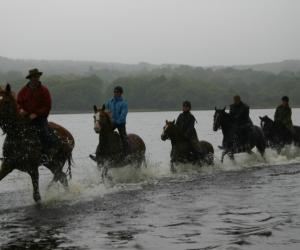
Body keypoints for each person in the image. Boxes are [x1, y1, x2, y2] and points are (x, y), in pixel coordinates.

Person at [17, 68, 57, 159]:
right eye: (34, 77)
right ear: (30, 78)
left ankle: (48, 152)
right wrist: (21, 110)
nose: (36, 78)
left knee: (44, 133)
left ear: (39, 77)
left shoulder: (44, 90)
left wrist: (36, 114)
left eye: (37, 77)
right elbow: (18, 103)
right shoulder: (23, 91)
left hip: (40, 118)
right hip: (25, 117)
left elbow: (47, 106)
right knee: (16, 132)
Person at [105, 86, 129, 155]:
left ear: (121, 93)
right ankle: (100, 153)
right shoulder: (109, 102)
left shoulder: (124, 103)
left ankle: (127, 153)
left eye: (117, 92)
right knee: (103, 135)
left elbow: (123, 114)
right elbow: (105, 110)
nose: (115, 93)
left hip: (120, 123)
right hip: (111, 123)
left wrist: (117, 122)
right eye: (114, 92)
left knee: (123, 137)